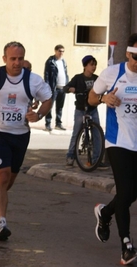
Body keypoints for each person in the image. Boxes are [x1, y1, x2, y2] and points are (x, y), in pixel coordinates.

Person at [0, 41, 52, 241]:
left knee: (8, 181)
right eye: (12, 58)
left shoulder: (33, 80)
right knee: (2, 177)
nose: (17, 62)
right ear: (4, 59)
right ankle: (1, 222)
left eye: (20, 58)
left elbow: (48, 99)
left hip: (21, 135)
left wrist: (38, 115)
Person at [89, 33, 137, 265]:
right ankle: (126, 244)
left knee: (130, 194)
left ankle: (105, 213)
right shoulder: (113, 73)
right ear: (128, 53)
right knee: (125, 191)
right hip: (119, 142)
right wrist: (103, 100)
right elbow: (91, 98)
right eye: (135, 56)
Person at [64, 55, 108, 168]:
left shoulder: (96, 79)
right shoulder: (78, 78)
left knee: (97, 134)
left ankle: (96, 159)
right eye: (91, 64)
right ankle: (70, 156)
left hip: (92, 109)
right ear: (85, 66)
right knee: (76, 132)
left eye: (95, 65)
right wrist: (70, 89)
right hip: (80, 109)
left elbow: (103, 88)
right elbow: (66, 87)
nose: (93, 67)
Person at [43, 44, 69, 131]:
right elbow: (46, 75)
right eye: (60, 51)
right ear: (55, 51)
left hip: (63, 87)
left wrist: (67, 85)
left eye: (63, 51)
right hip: (53, 88)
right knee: (49, 106)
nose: (61, 53)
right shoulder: (50, 61)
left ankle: (58, 124)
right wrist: (47, 87)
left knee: (60, 107)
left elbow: (66, 73)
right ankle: (48, 124)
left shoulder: (63, 61)